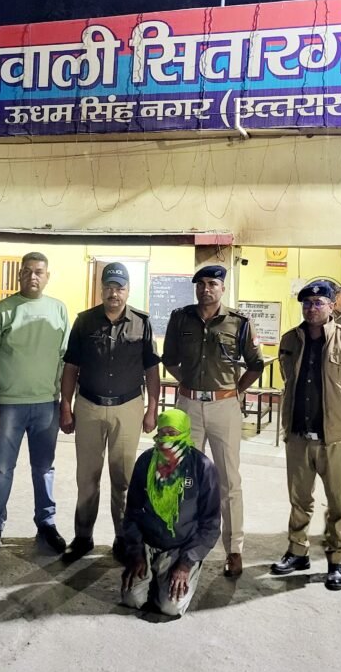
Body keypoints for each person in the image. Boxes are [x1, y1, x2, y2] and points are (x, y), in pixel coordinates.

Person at [271, 281, 341, 590]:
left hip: (335, 437)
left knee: (337, 503)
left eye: (319, 302)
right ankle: (297, 552)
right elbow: (288, 378)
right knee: (299, 500)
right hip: (298, 435)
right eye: (307, 303)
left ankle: (336, 560)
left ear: (332, 306)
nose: (312, 308)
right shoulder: (290, 339)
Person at [163, 264, 264, 578]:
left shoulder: (239, 323)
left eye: (212, 284)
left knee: (228, 480)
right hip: (188, 406)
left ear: (222, 288)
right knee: (184, 476)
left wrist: (236, 391)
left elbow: (256, 364)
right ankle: (183, 543)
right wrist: (187, 382)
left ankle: (234, 549)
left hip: (224, 406)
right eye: (201, 284)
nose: (205, 289)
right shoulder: (180, 318)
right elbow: (169, 359)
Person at [60, 262, 160, 562]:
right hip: (89, 406)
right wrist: (65, 405)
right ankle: (83, 537)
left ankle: (123, 538)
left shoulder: (142, 323)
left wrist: (152, 409)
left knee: (124, 480)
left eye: (120, 288)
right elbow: (71, 367)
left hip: (128, 408)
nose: (114, 293)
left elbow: (152, 370)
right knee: (87, 477)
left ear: (128, 290)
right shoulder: (84, 322)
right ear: (101, 289)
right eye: (109, 287)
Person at [0, 252, 70, 557]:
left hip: (46, 406)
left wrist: (65, 403)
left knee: (44, 469)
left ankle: (46, 522)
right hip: (8, 406)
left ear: (47, 276)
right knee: (2, 469)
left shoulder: (58, 310)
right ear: (19, 275)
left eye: (39, 271)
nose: (33, 276)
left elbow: (66, 359)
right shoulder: (2, 311)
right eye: (27, 271)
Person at [121, 408, 221, 617]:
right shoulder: (146, 462)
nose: (167, 439)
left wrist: (186, 563)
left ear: (185, 433)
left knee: (170, 608)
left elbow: (211, 526)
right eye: (162, 433)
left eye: (173, 434)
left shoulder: (202, 467)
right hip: (147, 545)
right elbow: (132, 512)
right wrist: (136, 552)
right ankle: (154, 576)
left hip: (182, 548)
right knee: (132, 600)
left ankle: (183, 573)